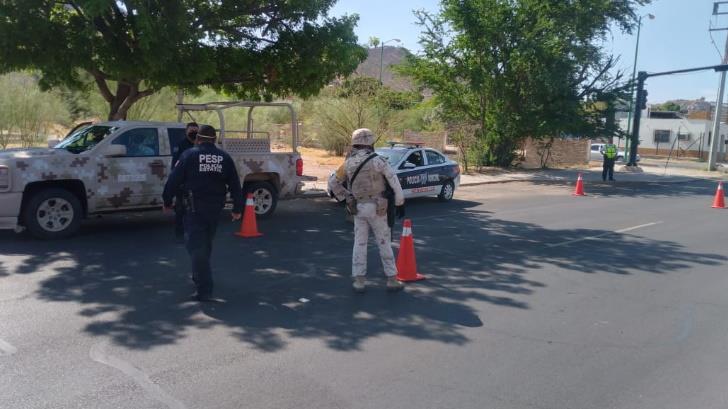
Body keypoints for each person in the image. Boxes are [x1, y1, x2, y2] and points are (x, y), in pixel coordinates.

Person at [163, 125, 244, 301]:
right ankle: (199, 275)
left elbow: (173, 180)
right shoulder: (224, 157)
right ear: (214, 140)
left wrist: (167, 201)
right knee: (205, 243)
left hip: (194, 209)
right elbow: (235, 185)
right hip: (215, 209)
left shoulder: (189, 155)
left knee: (196, 246)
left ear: (198, 139)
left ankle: (205, 289)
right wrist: (238, 209)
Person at [330, 128, 406, 293]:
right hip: (378, 208)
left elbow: (333, 183)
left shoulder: (348, 163)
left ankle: (359, 281)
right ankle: (392, 279)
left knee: (359, 243)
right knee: (384, 242)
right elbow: (394, 181)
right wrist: (400, 202)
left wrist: (346, 198)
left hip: (358, 208)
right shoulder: (379, 161)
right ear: (371, 142)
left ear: (354, 143)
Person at [172, 122, 199, 240]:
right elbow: (175, 166)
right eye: (191, 131)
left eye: (196, 131)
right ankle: (179, 236)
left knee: (197, 211)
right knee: (181, 210)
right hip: (183, 184)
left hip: (198, 184)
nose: (194, 133)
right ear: (186, 132)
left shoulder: (200, 145)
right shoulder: (181, 145)